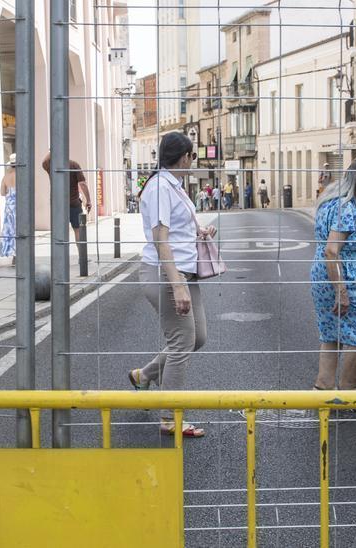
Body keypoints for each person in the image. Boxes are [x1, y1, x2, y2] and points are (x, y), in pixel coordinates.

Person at [127, 131, 216, 438]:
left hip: (183, 272)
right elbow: (160, 238)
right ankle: (169, 418)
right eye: (192, 156)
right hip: (168, 274)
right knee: (181, 343)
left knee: (197, 337)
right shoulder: (161, 186)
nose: (193, 161)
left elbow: (175, 231)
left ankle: (144, 375)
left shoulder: (173, 186)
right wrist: (176, 285)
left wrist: (199, 232)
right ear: (184, 157)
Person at [311, 156, 356, 394]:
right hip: (342, 275)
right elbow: (332, 251)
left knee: (332, 332)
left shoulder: (332, 202)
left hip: (321, 275)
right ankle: (349, 389)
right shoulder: (348, 209)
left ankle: (324, 386)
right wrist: (341, 291)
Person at [41, 152, 93, 248]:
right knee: (78, 230)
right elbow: (82, 184)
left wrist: (52, 150)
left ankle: (61, 258)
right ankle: (81, 256)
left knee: (60, 231)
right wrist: (88, 200)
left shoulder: (52, 166)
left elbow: (44, 161)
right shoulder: (74, 165)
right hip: (74, 204)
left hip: (58, 205)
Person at [0, 153, 18, 264]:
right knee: (20, 229)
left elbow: (2, 193)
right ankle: (20, 253)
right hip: (19, 204)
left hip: (9, 206)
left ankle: (13, 255)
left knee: (10, 229)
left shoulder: (6, 177)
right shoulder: (21, 175)